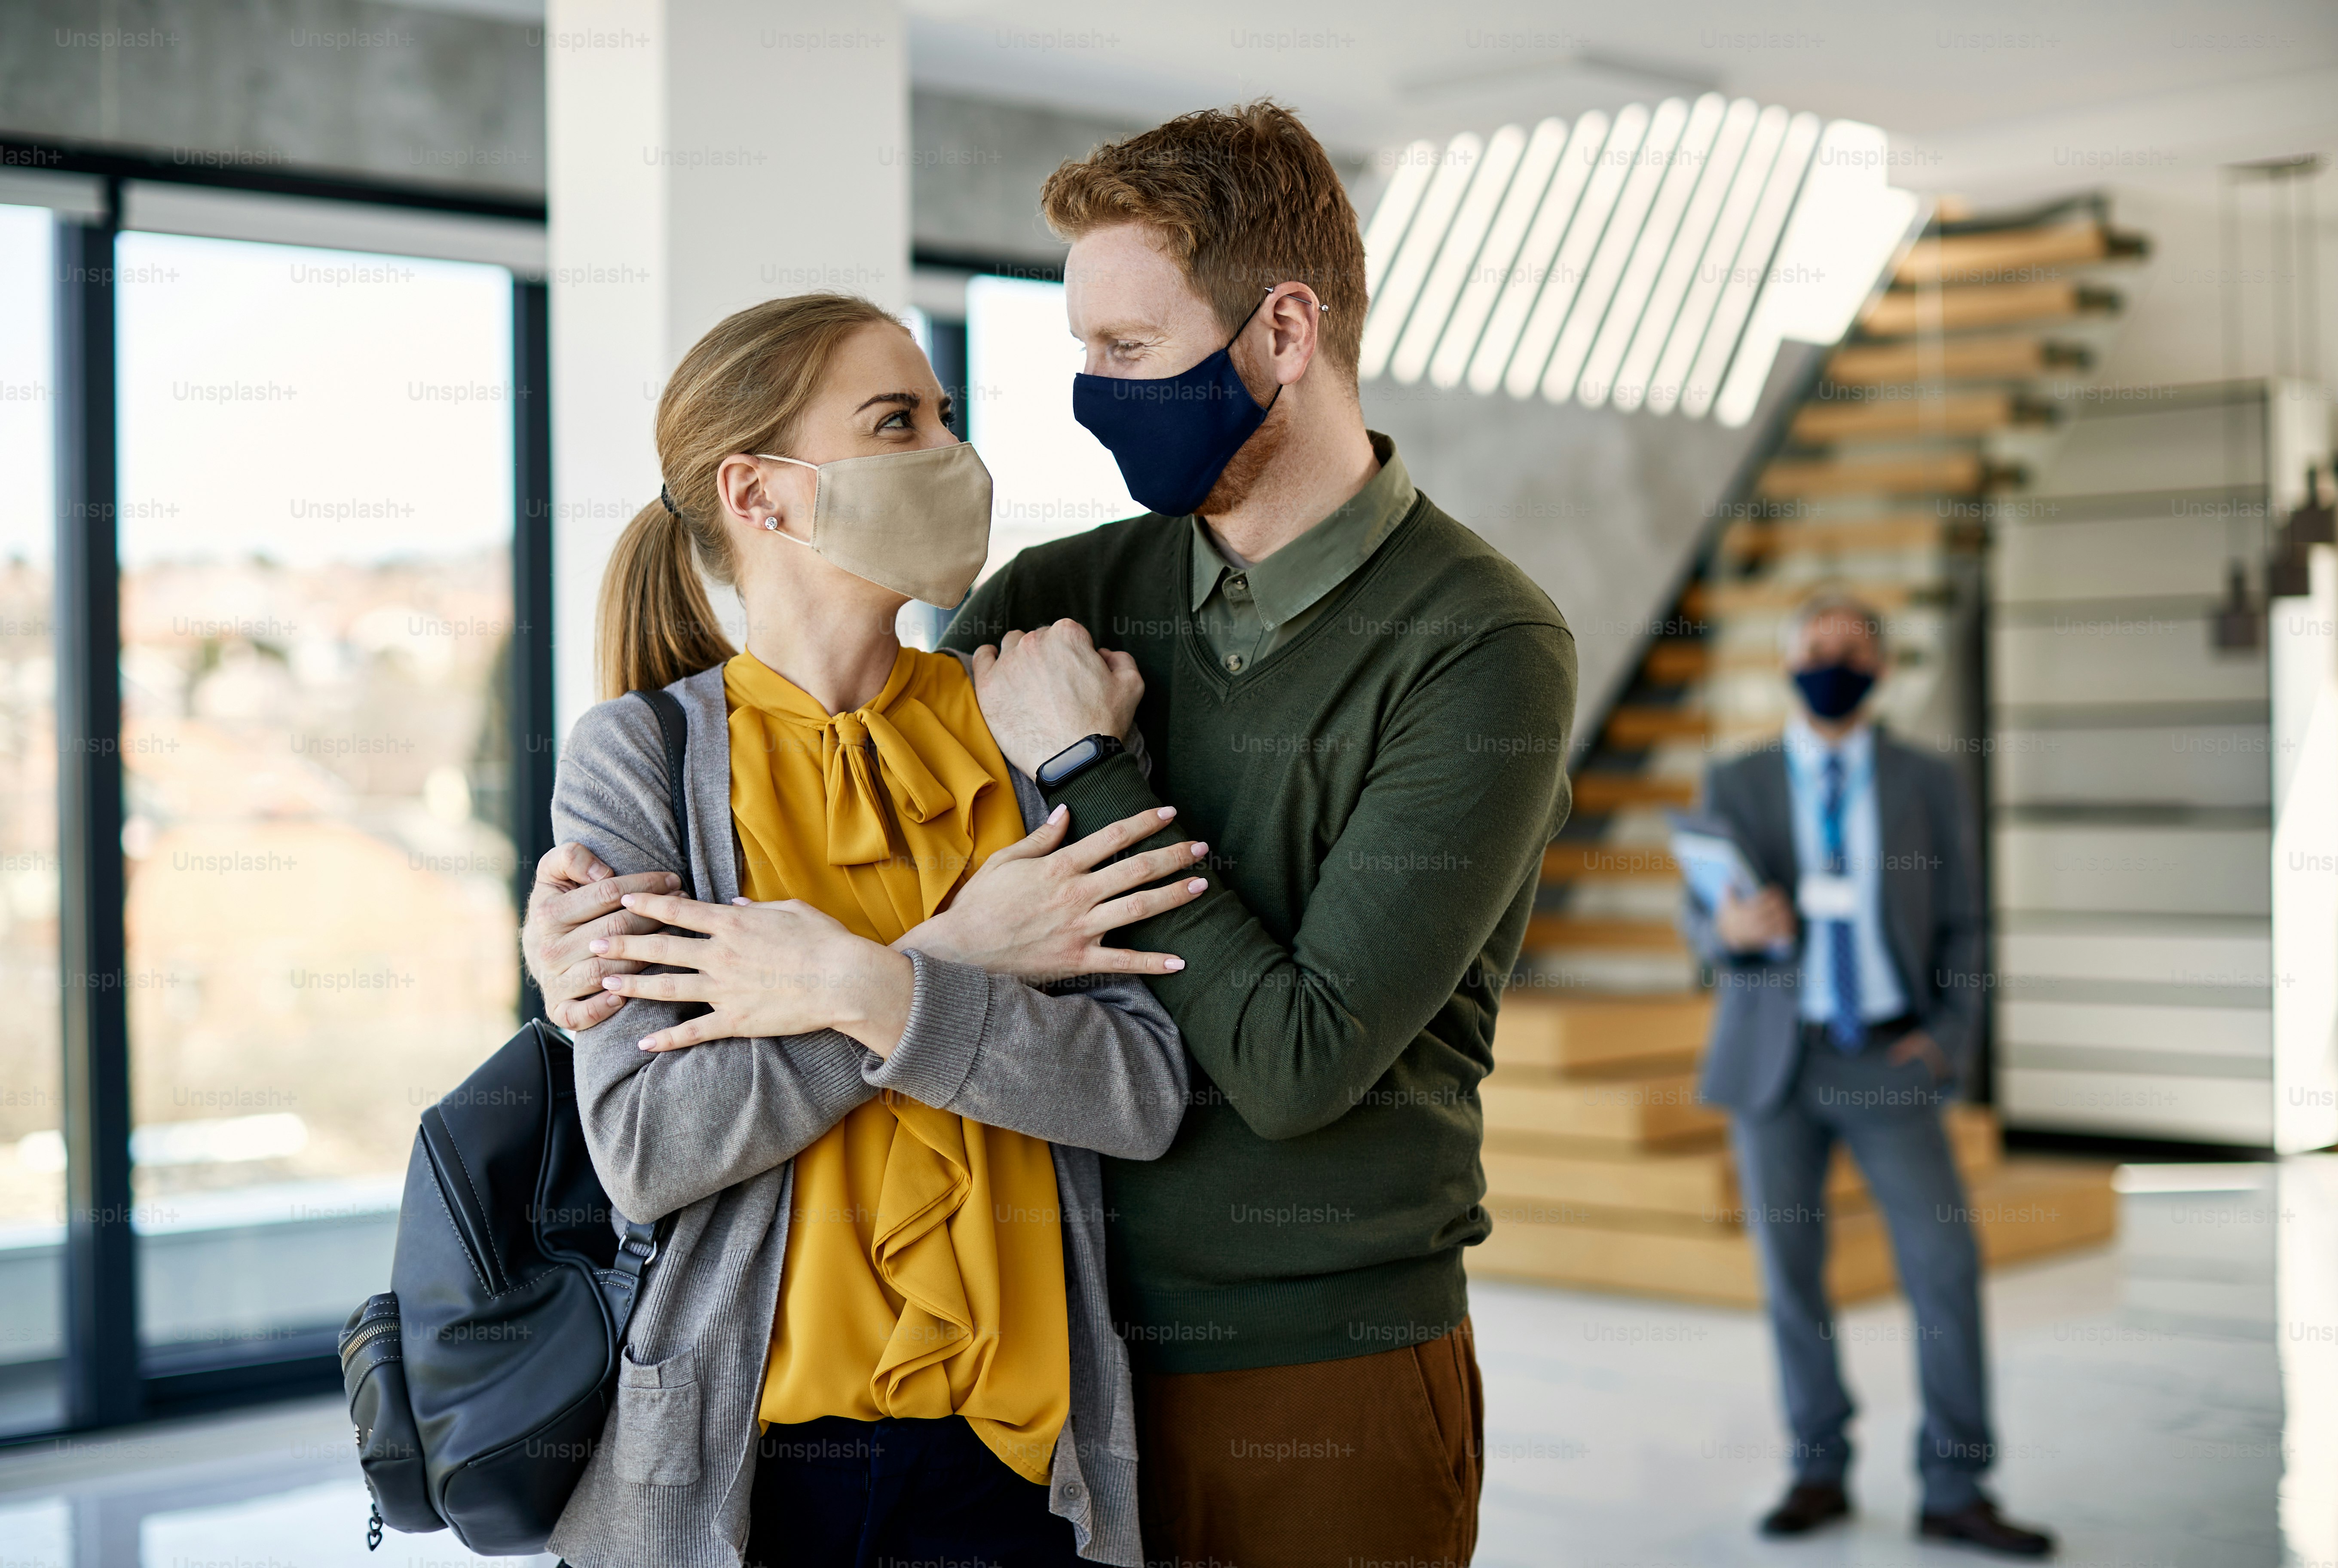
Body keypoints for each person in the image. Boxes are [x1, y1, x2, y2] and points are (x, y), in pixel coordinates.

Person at [527, 102, 1577, 1568]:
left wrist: (1070, 783)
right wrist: (566, 941)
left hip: (1308, 1352)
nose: (1088, 396)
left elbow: (1277, 1058)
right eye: (1078, 350)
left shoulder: (1480, 644)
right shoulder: (1056, 598)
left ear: (1284, 331)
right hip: (1081, 1374)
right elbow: (661, 1103)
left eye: (1128, 353)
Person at [537, 292, 1218, 1568]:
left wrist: (853, 986)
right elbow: (650, 1144)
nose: (949, 459)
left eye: (945, 419)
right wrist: (944, 963)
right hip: (748, 1467)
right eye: (895, 422)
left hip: (1020, 1469)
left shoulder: (1028, 727)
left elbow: (1141, 1094)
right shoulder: (641, 759)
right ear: (761, 495)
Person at [1684, 590, 2053, 1558]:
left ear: (1882, 668)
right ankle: (1817, 1469)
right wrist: (1722, 931)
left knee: (1943, 1268)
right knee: (1792, 1279)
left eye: (1851, 649)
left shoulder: (1927, 780)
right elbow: (1701, 916)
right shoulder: (1737, 780)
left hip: (1892, 1056)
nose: (1832, 662)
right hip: (1777, 1058)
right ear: (1787, 664)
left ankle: (1956, 1485)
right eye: (1815, 647)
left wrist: (1950, 1039)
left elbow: (1970, 919)